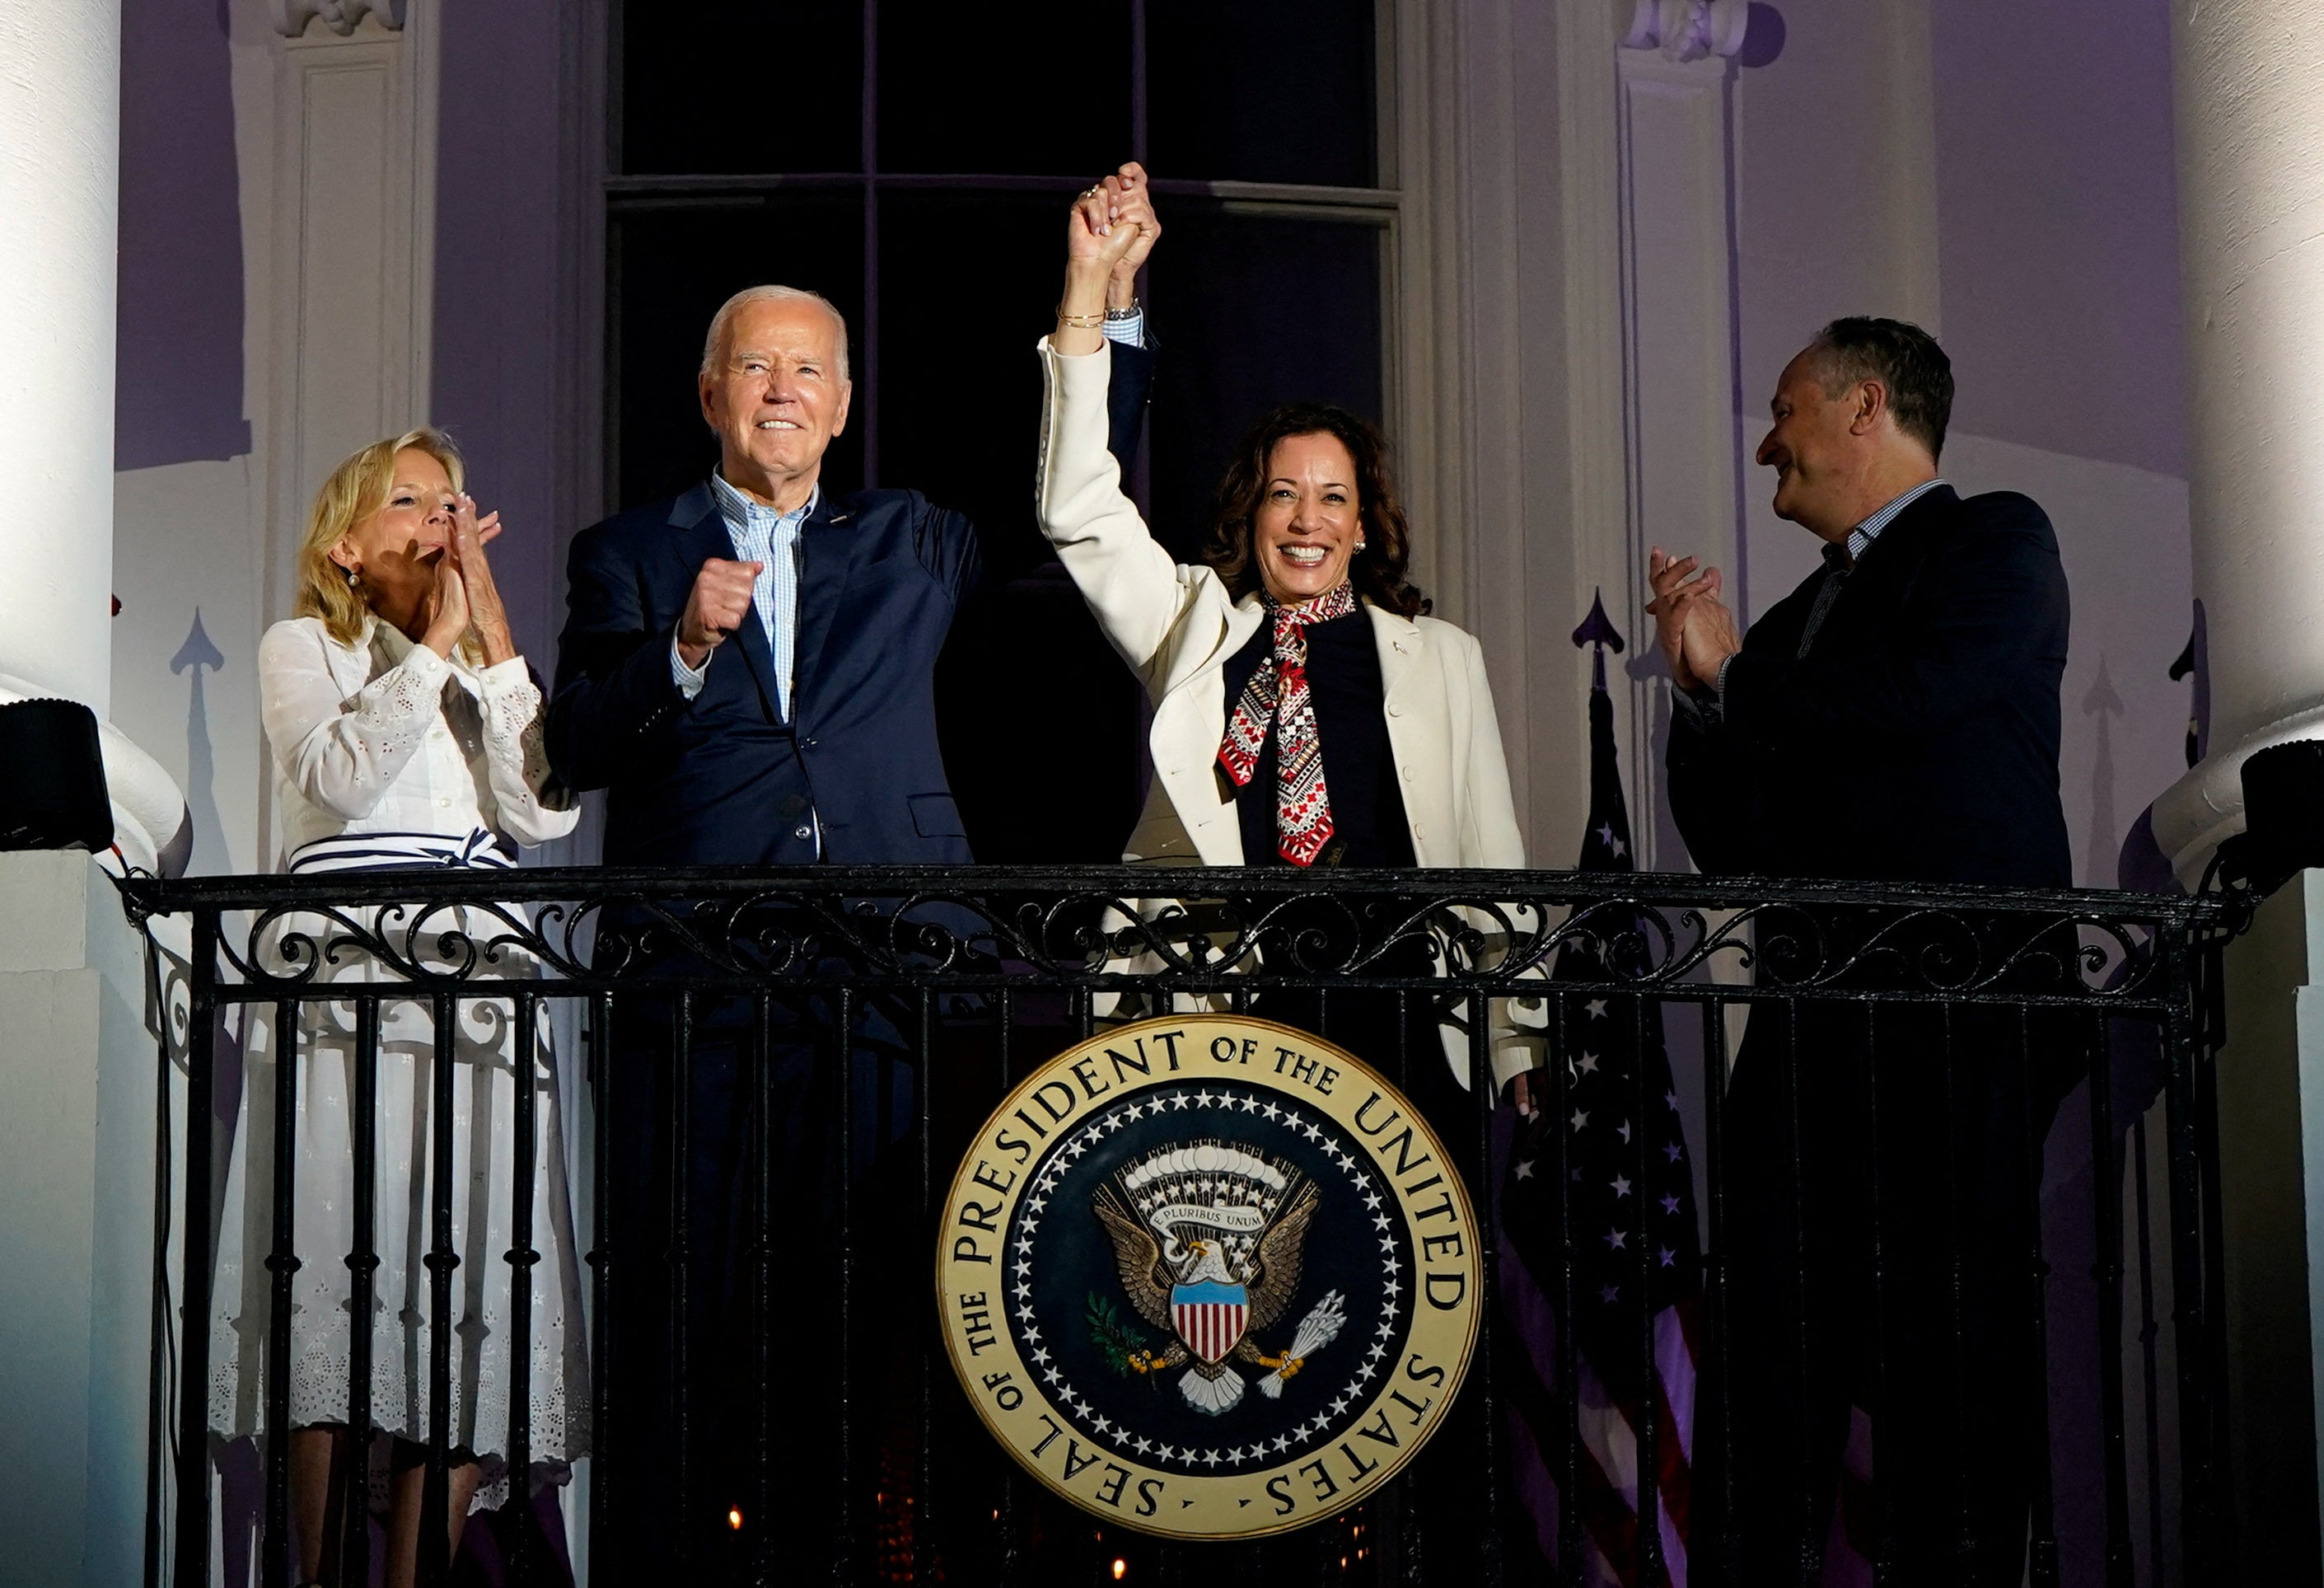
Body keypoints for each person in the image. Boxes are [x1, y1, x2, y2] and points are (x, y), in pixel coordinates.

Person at [542, 167, 1158, 1575]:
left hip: (886, 973)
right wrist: (681, 653)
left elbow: (1086, 494)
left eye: (808, 369)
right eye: (755, 365)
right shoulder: (630, 553)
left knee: (867, 1313)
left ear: (845, 401)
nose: (782, 388)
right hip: (696, 985)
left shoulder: (914, 539)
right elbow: (572, 741)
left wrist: (1096, 310)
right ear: (709, 396)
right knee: (686, 1314)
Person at [1647, 317, 2071, 1580]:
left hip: (1956, 1010)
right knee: (1769, 1353)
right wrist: (1694, 685)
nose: (1768, 439)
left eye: (1785, 408)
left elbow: (1913, 698)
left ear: (1862, 407)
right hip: (1806, 1026)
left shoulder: (1994, 538)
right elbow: (1731, 837)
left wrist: (1736, 679)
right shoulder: (1784, 624)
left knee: (1952, 1349)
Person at [1036, 174, 1541, 1095]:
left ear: (1362, 524)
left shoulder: (1441, 657)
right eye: (1284, 493)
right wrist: (1086, 293)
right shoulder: (1194, 625)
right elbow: (1078, 508)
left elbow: (1490, 852)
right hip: (1229, 1013)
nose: (1306, 519)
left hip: (1401, 1011)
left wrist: (1516, 1043)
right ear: (1251, 512)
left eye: (1332, 498)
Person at [210, 430, 586, 1587]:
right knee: (342, 1257)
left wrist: (494, 634)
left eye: (450, 500)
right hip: (352, 1001)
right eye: (410, 500)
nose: (440, 516)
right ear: (345, 545)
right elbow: (335, 775)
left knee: (466, 1273)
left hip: (476, 1000)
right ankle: (317, 1566)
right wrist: (431, 647)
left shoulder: (471, 669)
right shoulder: (305, 647)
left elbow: (540, 813)